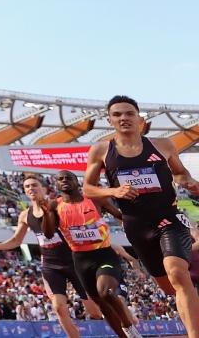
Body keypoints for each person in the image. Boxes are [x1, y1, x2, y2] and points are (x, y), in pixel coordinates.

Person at [83, 95, 199, 338]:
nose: (123, 118)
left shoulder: (162, 145)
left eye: (128, 113)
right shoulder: (102, 150)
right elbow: (88, 188)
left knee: (178, 274)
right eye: (117, 115)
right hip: (136, 226)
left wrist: (188, 181)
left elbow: (179, 172)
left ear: (140, 119)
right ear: (109, 120)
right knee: (169, 287)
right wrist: (114, 190)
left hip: (168, 218)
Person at [0, 174, 104, 338]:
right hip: (50, 266)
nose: (31, 188)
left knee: (95, 312)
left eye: (34, 185)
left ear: (44, 188)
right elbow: (16, 240)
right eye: (27, 186)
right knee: (59, 307)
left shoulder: (59, 207)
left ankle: (123, 325)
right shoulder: (25, 215)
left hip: (74, 262)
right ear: (24, 192)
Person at [43, 170, 141, 338]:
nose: (64, 180)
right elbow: (49, 233)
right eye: (60, 179)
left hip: (104, 255)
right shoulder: (54, 205)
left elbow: (119, 216)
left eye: (68, 178)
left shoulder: (94, 200)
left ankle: (128, 327)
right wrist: (46, 213)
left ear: (76, 181)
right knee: (102, 305)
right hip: (81, 260)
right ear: (57, 184)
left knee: (106, 292)